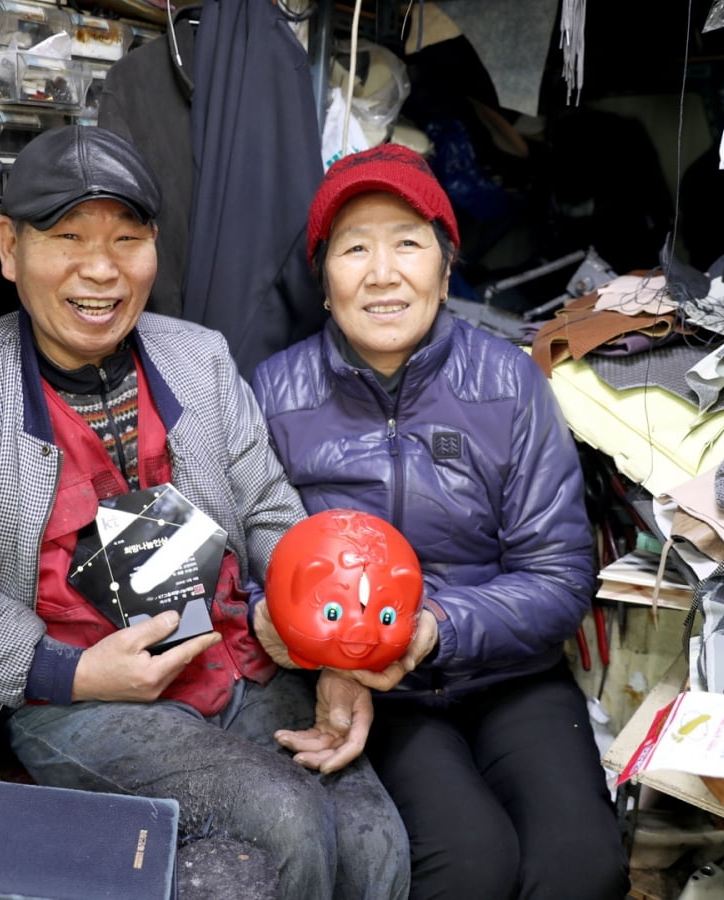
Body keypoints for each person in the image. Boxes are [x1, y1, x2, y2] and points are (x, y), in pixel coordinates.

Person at [0, 125, 410, 900]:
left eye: (126, 237)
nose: (101, 268)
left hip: (233, 658)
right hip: (72, 696)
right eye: (68, 237)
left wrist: (322, 642)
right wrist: (72, 670)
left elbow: (272, 511)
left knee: (374, 839)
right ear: (9, 248)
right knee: (283, 821)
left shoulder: (200, 361)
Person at [250, 143, 631, 900]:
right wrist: (307, 638)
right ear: (324, 279)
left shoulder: (508, 381)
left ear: (444, 268)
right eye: (355, 248)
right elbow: (251, 561)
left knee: (580, 868)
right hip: (367, 687)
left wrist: (431, 628)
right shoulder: (273, 393)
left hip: (508, 674)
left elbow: (558, 577)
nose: (383, 273)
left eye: (408, 243)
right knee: (469, 863)